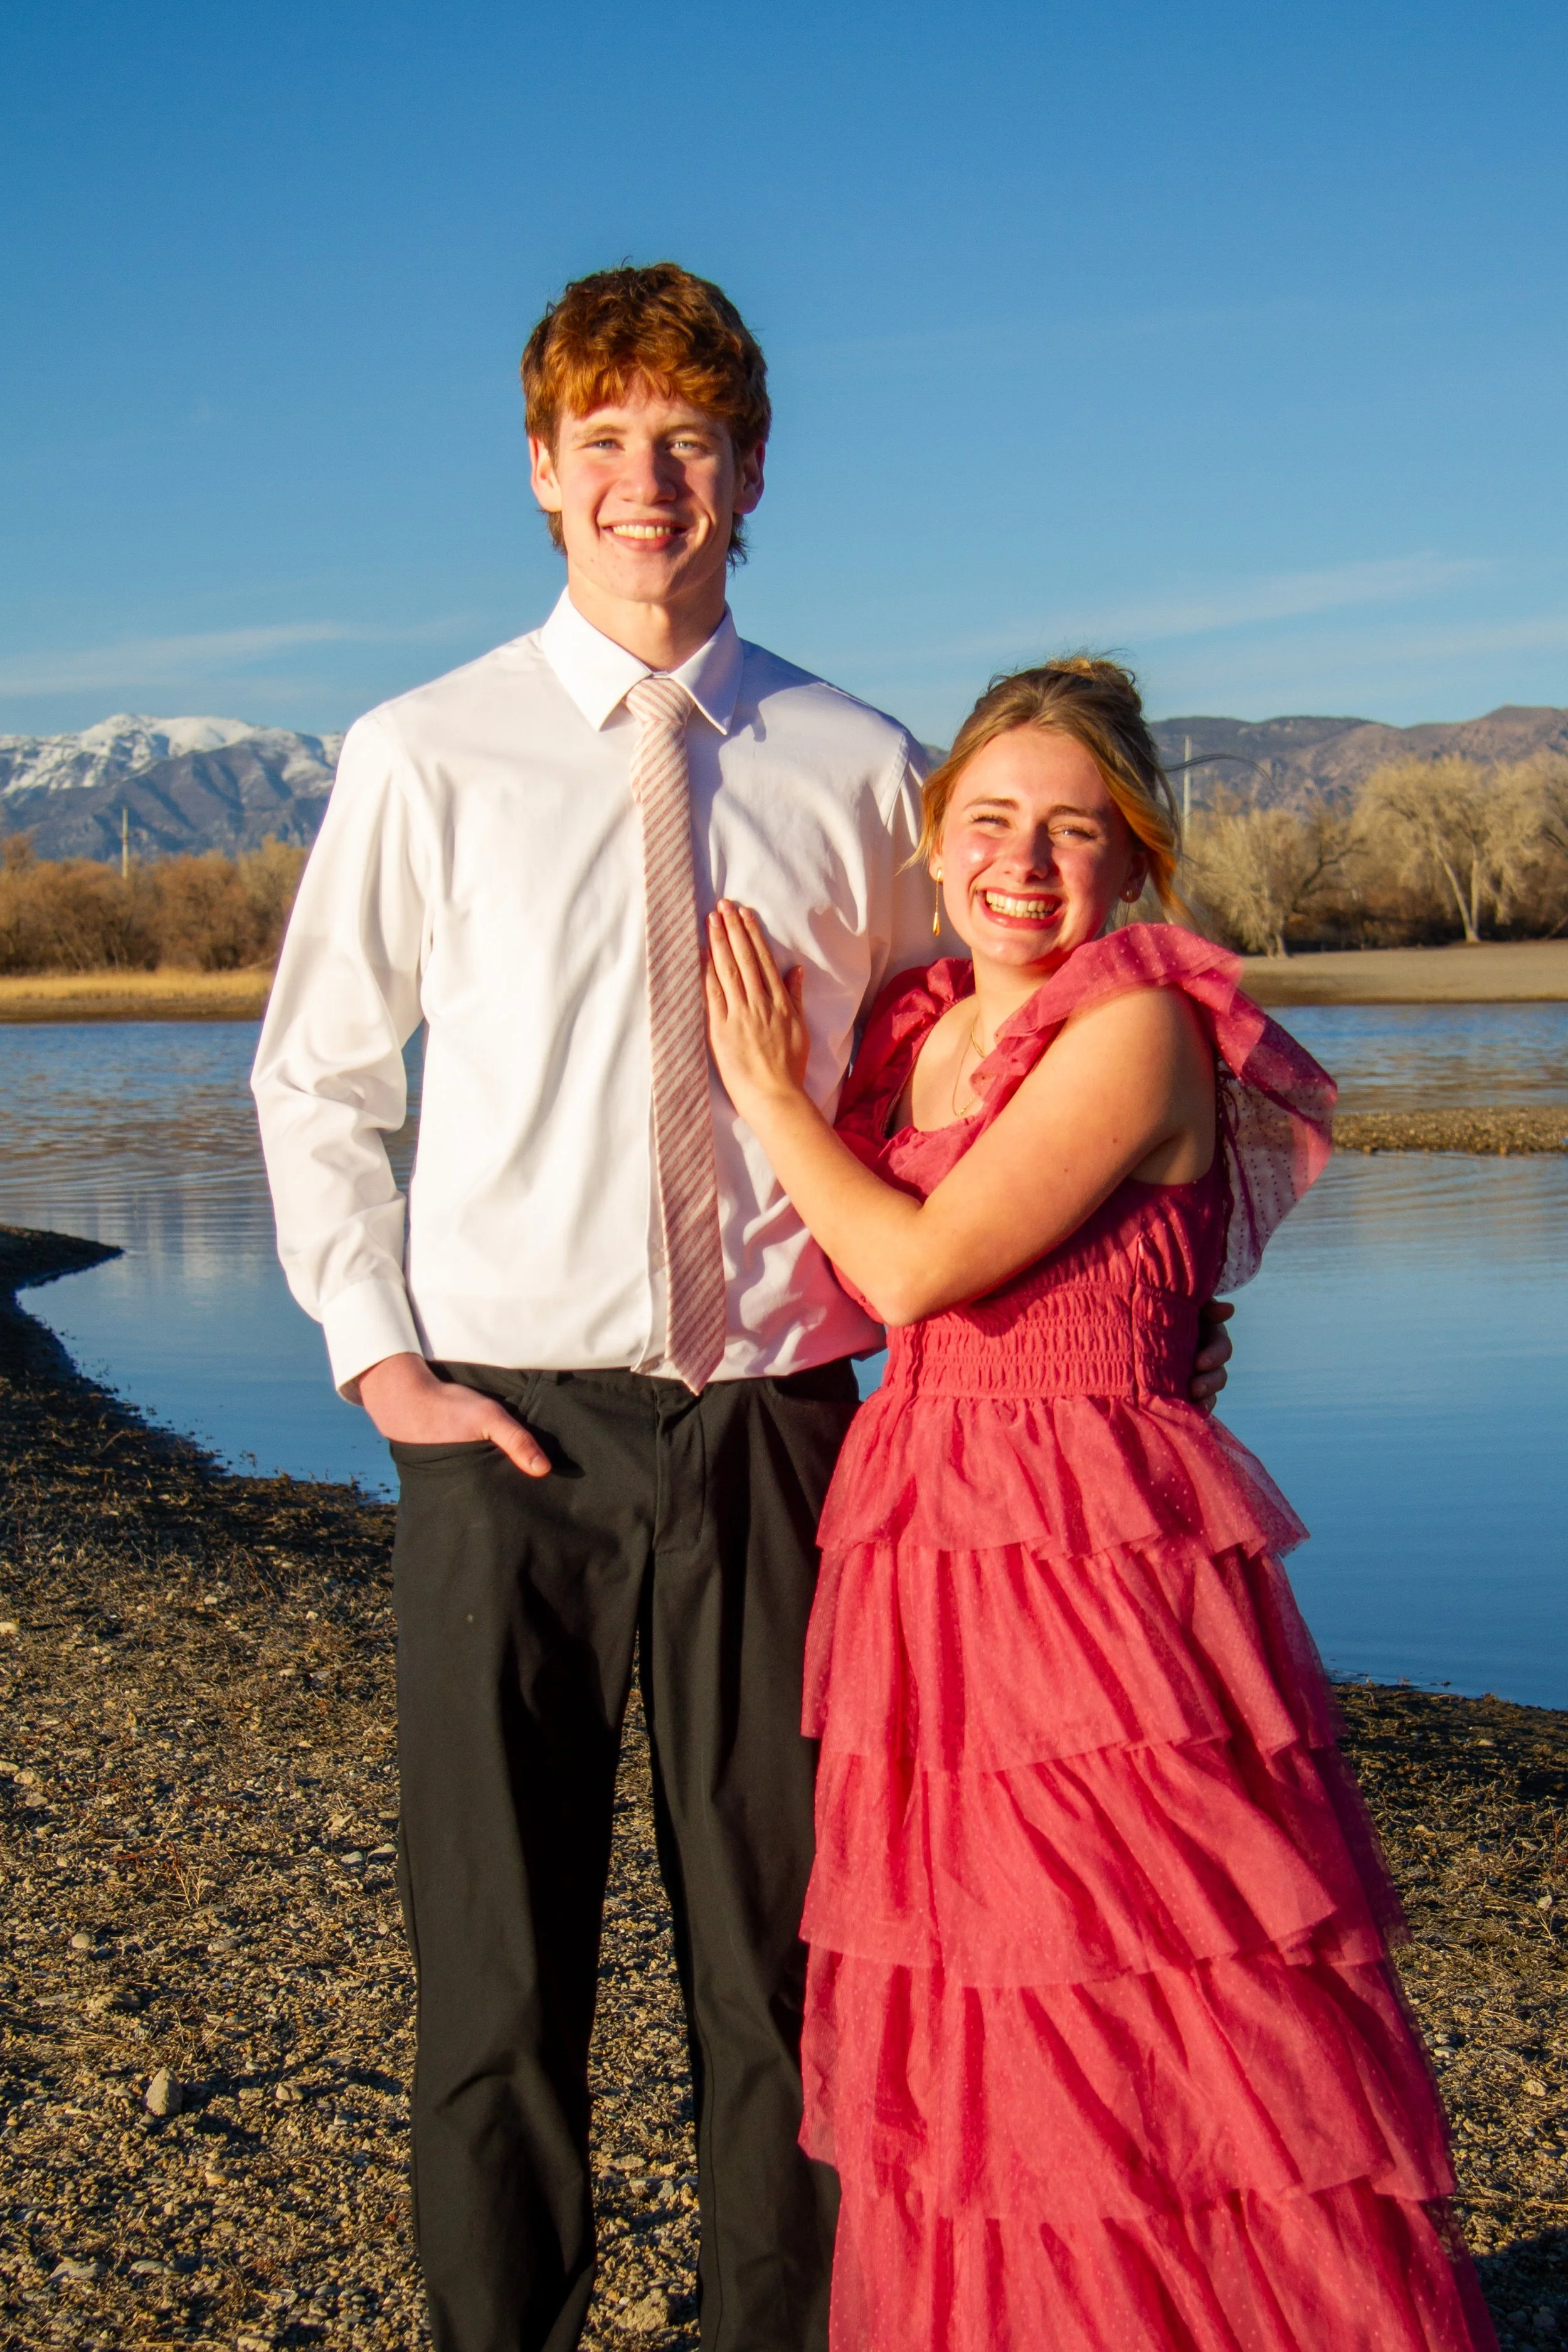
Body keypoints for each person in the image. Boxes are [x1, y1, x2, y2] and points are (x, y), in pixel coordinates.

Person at [251, 263, 1232, 2352]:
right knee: (496, 1979)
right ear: (538, 473)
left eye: (684, 440)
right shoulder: (425, 751)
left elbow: (980, 1048)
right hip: (506, 1432)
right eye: (599, 441)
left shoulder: (859, 763)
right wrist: (379, 1356)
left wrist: (1146, 1295)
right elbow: (316, 1074)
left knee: (789, 1976)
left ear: (752, 472)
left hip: (793, 1429)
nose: (644, 480)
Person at [704, 657, 1497, 2352]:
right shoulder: (922, 1023)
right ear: (934, 837)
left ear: (1136, 858)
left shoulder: (1131, 1022)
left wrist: (765, 1089)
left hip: (1091, 1560)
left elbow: (912, 1262)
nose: (1025, 859)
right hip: (925, 1532)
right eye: (989, 819)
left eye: (1077, 829)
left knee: (1147, 1963)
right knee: (985, 1990)